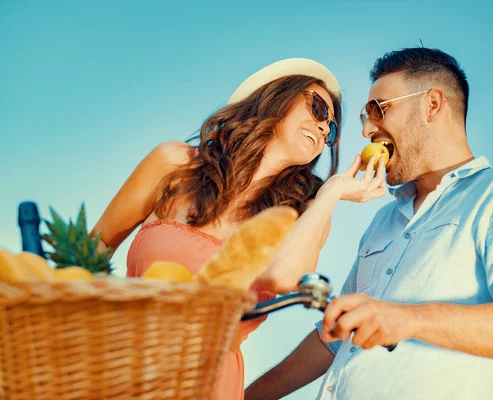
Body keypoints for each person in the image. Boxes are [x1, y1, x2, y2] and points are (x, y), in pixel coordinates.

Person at [245, 47, 493, 400]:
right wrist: (244, 396)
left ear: (432, 105)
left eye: (379, 110)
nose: (367, 129)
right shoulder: (385, 219)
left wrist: (407, 319)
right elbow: (333, 336)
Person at [90, 58, 388, 400]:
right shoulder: (173, 165)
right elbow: (89, 254)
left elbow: (287, 280)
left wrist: (331, 192)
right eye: (318, 108)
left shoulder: (304, 212)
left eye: (331, 129)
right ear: (275, 96)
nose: (324, 129)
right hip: (116, 373)